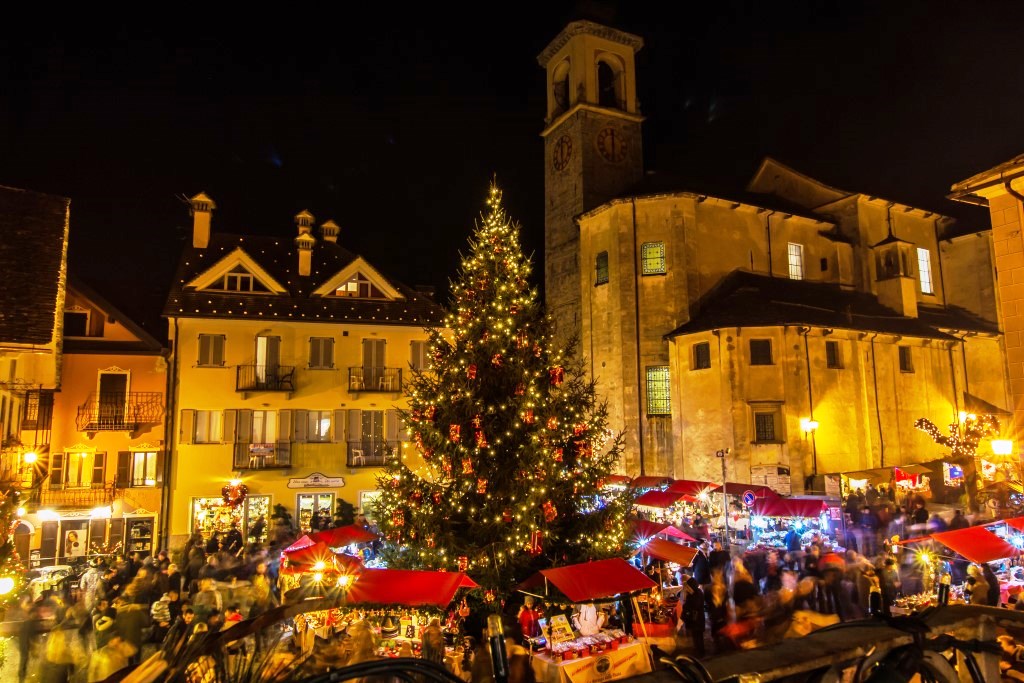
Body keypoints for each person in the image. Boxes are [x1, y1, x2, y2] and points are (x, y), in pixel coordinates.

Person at [679, 577, 706, 657]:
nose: (687, 589)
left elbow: (693, 606)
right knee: (696, 636)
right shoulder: (694, 593)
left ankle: (700, 652)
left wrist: (686, 606)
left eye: (688, 587)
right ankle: (699, 650)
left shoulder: (696, 594)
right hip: (696, 620)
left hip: (697, 620)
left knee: (698, 636)